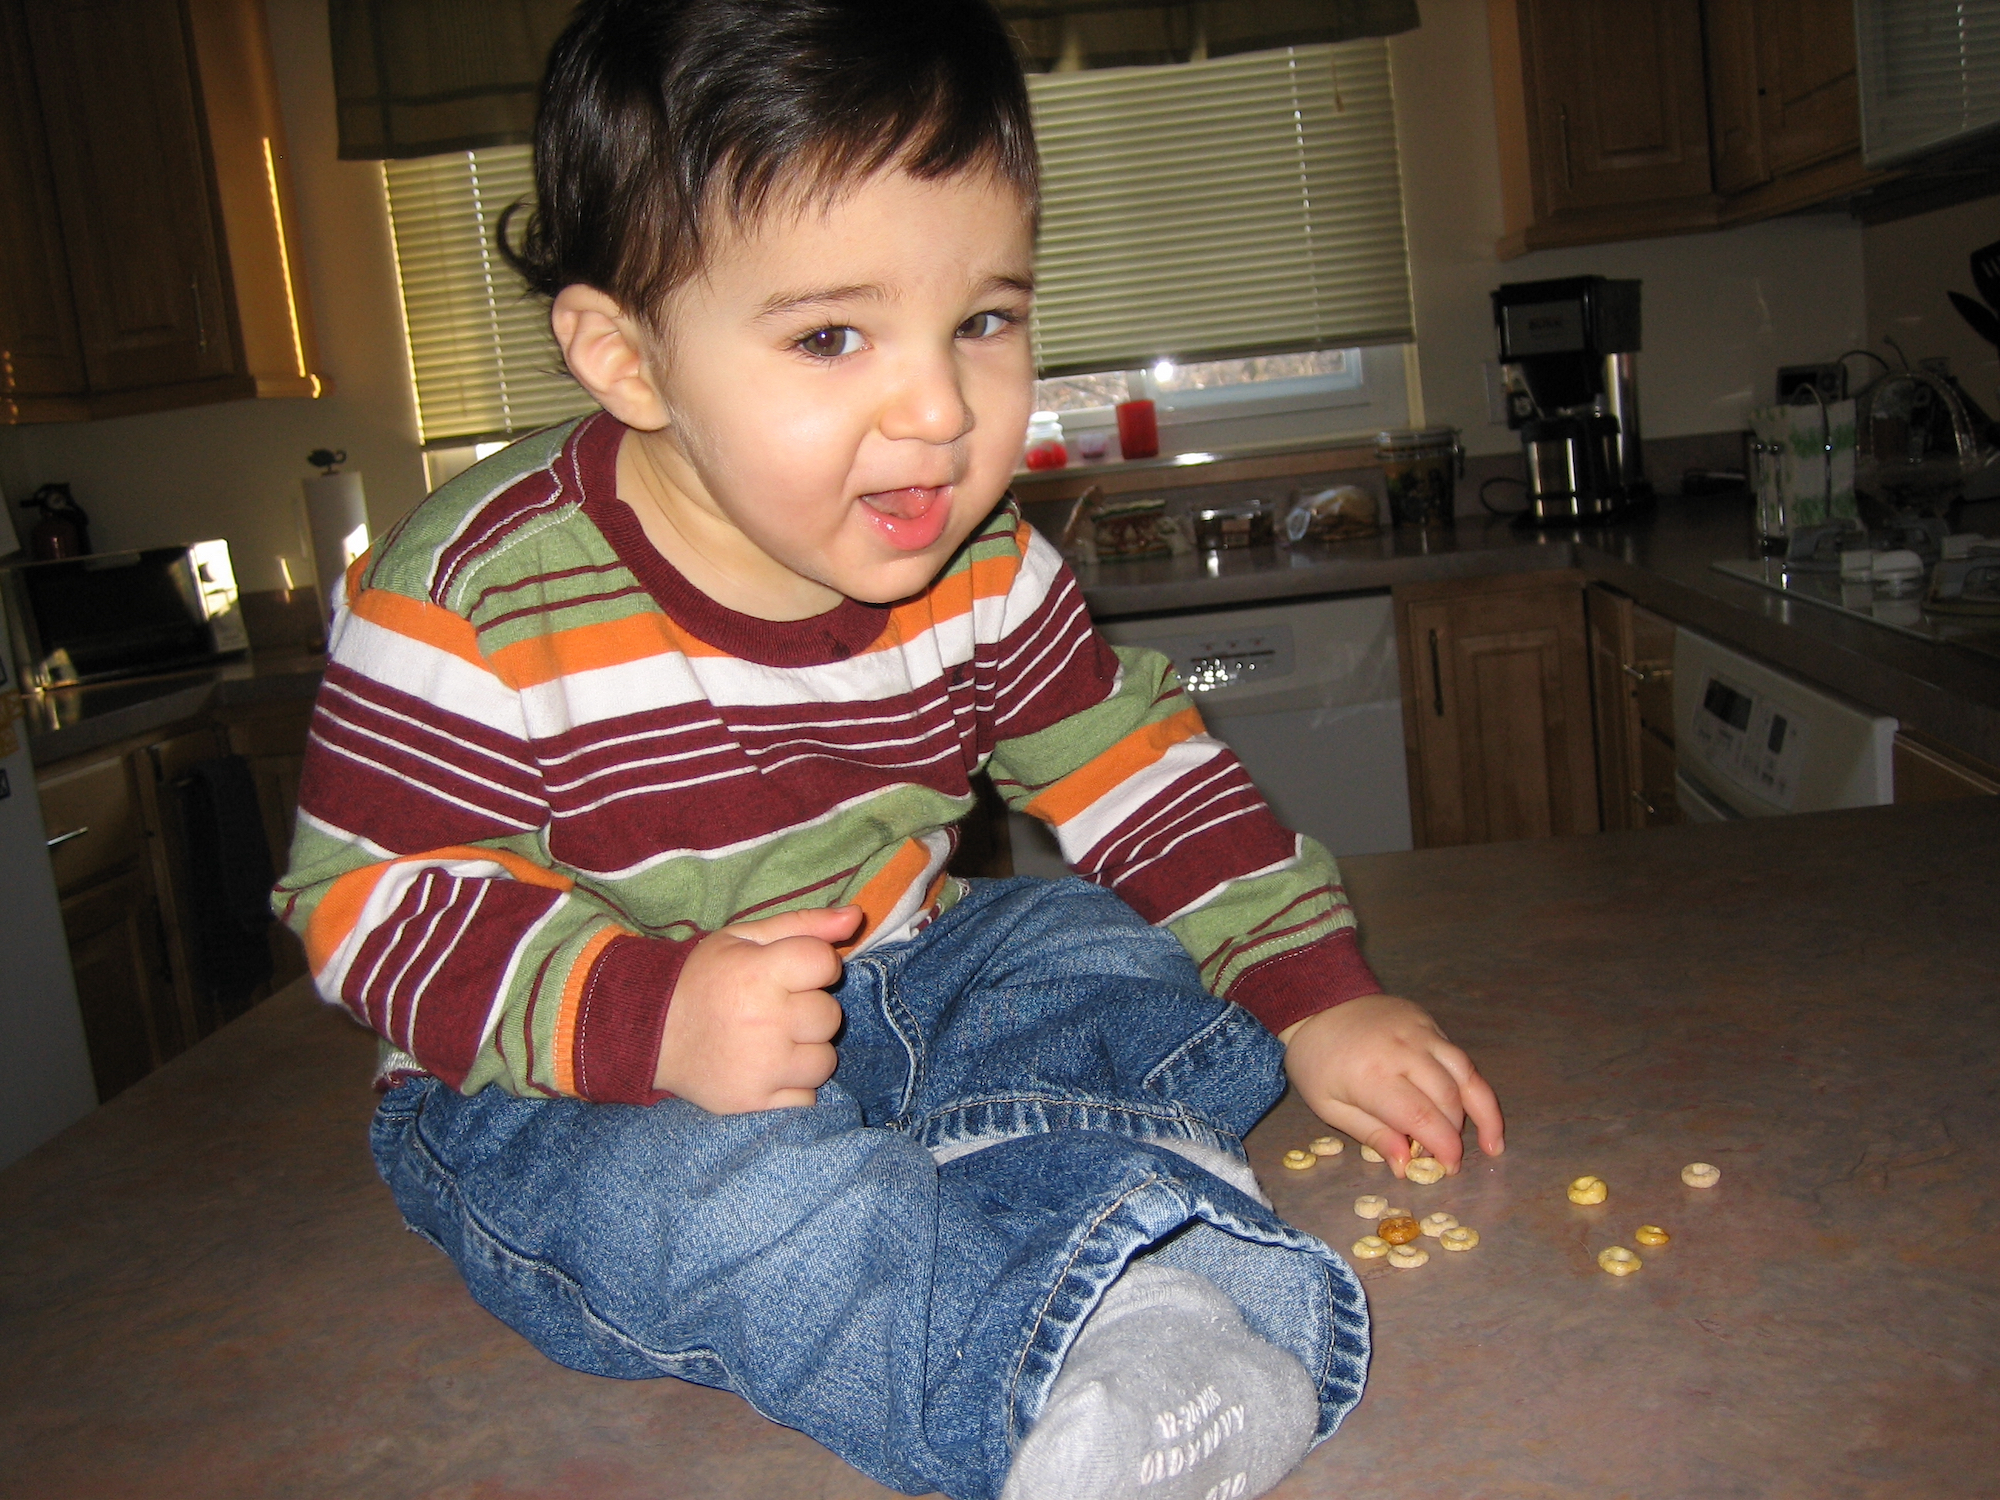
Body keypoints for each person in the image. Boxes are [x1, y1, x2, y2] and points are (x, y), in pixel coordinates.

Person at [273, 2, 1505, 1496]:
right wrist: (656, 1018)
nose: (940, 412)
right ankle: (1072, 1337)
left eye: (983, 320)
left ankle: (1126, 1274)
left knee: (1099, 950)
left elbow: (1142, 775)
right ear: (628, 358)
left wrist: (1322, 996)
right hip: (573, 1072)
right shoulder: (466, 594)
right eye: (831, 337)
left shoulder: (983, 568)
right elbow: (369, 902)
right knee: (689, 1204)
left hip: (906, 982)